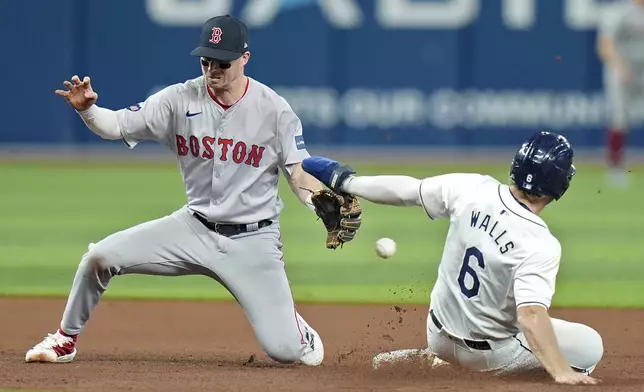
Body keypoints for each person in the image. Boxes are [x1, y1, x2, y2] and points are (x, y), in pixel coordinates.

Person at [25, 14, 361, 366]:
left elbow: (297, 170)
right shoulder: (178, 100)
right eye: (206, 60)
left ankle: (297, 330)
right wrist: (89, 110)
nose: (212, 69)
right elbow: (118, 125)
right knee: (99, 258)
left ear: (245, 58)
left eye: (223, 62)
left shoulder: (274, 110)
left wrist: (314, 200)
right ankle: (65, 339)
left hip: (253, 242)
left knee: (288, 352)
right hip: (192, 227)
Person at [301, 132, 604, 385]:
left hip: (437, 334)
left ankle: (434, 360)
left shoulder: (472, 188)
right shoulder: (540, 242)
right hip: (489, 356)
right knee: (590, 346)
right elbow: (530, 316)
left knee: (532, 327)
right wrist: (561, 371)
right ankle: (473, 374)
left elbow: (407, 190)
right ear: (559, 184)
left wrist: (346, 181)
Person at [597, 0, 644, 186]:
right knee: (619, 118)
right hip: (621, 69)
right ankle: (615, 168)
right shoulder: (618, 12)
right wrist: (621, 68)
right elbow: (605, 45)